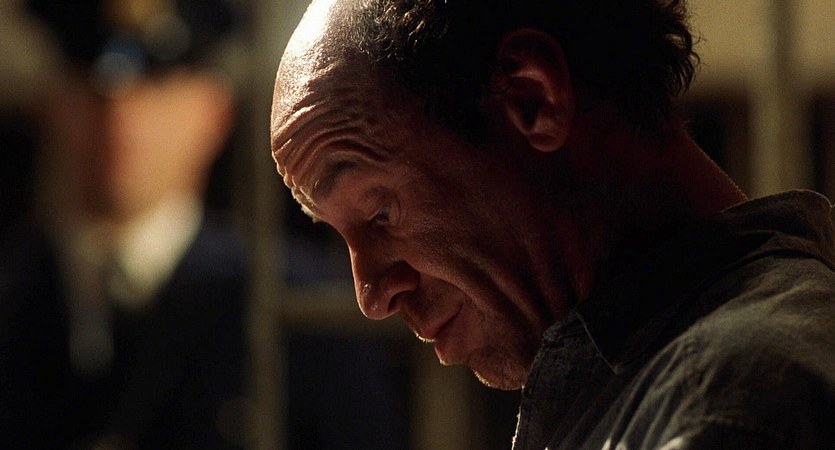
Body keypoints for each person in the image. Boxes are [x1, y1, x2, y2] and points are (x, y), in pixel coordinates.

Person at [269, 0, 835, 449]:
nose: (371, 297)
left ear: (530, 99)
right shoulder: (672, 389)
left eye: (380, 213)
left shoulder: (735, 406)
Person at [0, 0, 249, 448]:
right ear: (52, 103)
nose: (119, 111)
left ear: (214, 112)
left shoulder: (291, 311)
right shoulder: (13, 289)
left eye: (157, 83)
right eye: (90, 83)